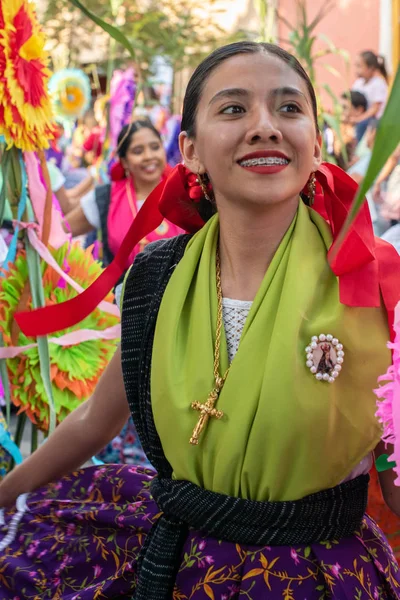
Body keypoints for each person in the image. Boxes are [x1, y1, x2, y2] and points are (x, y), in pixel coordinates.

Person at [1, 41, 400, 600]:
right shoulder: (156, 278)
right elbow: (97, 417)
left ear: (317, 141)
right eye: (234, 109)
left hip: (317, 578)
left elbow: (393, 480)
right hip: (178, 564)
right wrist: (3, 493)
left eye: (288, 109)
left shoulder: (374, 282)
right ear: (189, 149)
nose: (264, 127)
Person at [64, 119, 182, 266]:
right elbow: (59, 233)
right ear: (124, 161)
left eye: (155, 147)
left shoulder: (184, 193)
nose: (149, 156)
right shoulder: (106, 197)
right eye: (138, 151)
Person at [352, 50, 388, 142]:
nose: (356, 69)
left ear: (371, 68)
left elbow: (374, 109)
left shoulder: (379, 83)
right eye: (356, 66)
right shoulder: (358, 83)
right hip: (363, 116)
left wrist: (358, 119)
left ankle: (360, 153)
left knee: (362, 125)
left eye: (359, 66)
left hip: (375, 120)